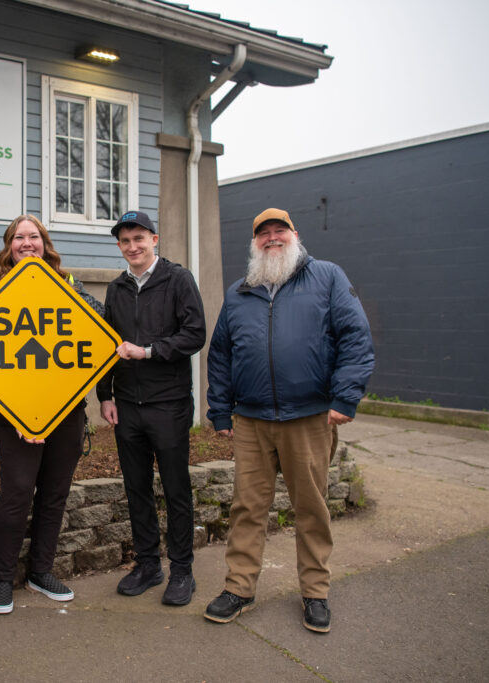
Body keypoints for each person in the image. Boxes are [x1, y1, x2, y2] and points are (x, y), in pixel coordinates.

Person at [204, 207, 374, 633]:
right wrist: (220, 409)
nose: (272, 239)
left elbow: (356, 337)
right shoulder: (240, 290)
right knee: (247, 507)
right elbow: (221, 355)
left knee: (312, 508)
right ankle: (239, 588)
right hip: (252, 420)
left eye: (280, 231)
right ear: (255, 242)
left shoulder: (328, 277)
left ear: (294, 235)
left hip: (309, 416)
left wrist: (345, 397)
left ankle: (315, 593)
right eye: (264, 234)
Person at [0, 214, 103, 615]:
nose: (27, 243)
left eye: (34, 236)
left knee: (54, 493)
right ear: (9, 247)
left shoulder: (71, 286)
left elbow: (100, 330)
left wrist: (58, 291)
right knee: (17, 493)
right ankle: (2, 580)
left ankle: (40, 571)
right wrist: (20, 416)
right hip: (14, 417)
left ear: (45, 243)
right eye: (19, 237)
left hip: (67, 411)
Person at [96, 210, 206, 606]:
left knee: (176, 489)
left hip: (169, 404)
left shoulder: (178, 279)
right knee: (136, 488)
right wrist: (105, 395)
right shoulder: (116, 289)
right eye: (125, 241)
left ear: (154, 240)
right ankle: (147, 563)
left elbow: (195, 334)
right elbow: (106, 345)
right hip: (127, 405)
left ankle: (181, 571)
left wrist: (149, 352)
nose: (132, 247)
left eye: (139, 238)